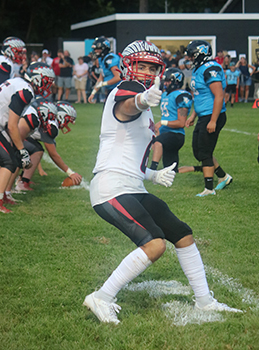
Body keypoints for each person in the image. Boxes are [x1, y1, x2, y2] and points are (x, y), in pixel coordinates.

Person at [83, 40, 241, 325]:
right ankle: (102, 297)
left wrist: (153, 174)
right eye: (140, 66)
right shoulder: (127, 91)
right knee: (155, 245)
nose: (145, 72)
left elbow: (128, 156)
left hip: (132, 184)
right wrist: (142, 100)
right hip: (111, 188)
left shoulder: (147, 100)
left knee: (182, 233)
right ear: (129, 66)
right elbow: (127, 107)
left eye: (151, 67)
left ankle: (204, 301)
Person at [0, 62, 55, 213]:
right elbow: (12, 125)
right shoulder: (25, 90)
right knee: (8, 161)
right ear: (37, 79)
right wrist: (22, 150)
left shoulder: (18, 82)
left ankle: (0, 196)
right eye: (46, 81)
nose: (47, 85)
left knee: (8, 159)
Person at [185, 40, 232, 197]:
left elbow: (219, 96)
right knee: (198, 151)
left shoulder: (210, 68)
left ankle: (209, 188)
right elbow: (200, 96)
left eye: (192, 56)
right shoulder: (199, 69)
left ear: (200, 54)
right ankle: (223, 176)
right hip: (203, 115)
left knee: (204, 151)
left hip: (212, 116)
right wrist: (193, 115)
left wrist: (213, 120)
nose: (190, 59)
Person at [15, 100, 82, 191]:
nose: (68, 123)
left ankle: (23, 179)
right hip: (17, 135)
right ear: (62, 115)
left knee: (36, 148)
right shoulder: (51, 124)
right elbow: (53, 153)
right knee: (37, 150)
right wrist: (70, 173)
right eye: (68, 119)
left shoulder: (49, 119)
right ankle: (22, 182)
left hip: (17, 133)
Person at [150, 67, 193, 173]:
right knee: (171, 171)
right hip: (166, 134)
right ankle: (200, 169)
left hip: (175, 135)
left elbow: (181, 123)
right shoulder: (165, 94)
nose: (166, 83)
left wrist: (162, 123)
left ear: (176, 81)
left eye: (168, 81)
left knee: (157, 142)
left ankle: (152, 169)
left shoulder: (182, 95)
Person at [88, 36, 121, 103]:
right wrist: (93, 93)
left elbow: (118, 77)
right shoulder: (101, 60)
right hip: (110, 90)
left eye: (98, 49)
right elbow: (101, 77)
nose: (95, 51)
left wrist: (104, 83)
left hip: (118, 90)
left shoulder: (110, 58)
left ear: (104, 49)